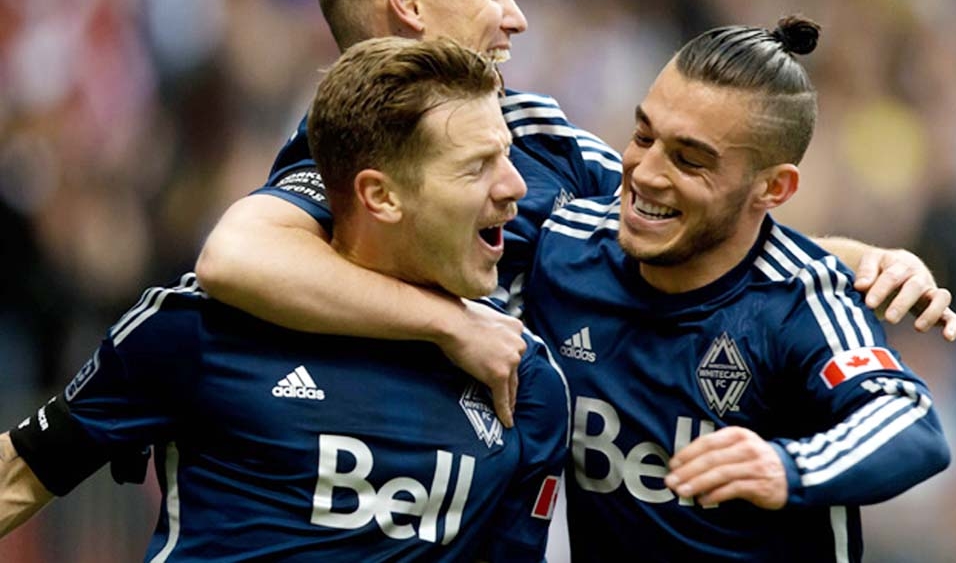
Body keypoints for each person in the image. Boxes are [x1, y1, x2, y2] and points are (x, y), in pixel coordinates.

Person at [194, 0, 956, 431]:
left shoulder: (541, 135)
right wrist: (453, 327)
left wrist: (853, 260)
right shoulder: (340, 150)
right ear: (410, 3)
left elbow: (691, 246)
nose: (516, 17)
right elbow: (235, 258)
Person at [0, 37, 570, 562]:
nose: (516, 186)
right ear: (380, 196)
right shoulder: (198, 328)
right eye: (477, 167)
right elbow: (18, 478)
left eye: (507, 157)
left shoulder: (523, 380)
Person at [523, 17, 951, 562]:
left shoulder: (803, 303)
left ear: (773, 188)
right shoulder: (563, 249)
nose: (646, 173)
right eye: (643, 136)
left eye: (690, 159)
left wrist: (786, 467)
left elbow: (911, 423)